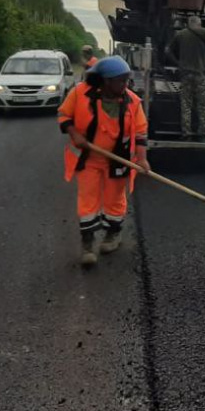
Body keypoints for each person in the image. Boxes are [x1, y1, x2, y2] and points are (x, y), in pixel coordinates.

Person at [58, 56, 150, 267]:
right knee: (87, 200)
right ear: (106, 81)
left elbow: (141, 132)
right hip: (88, 158)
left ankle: (112, 235)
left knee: (114, 200)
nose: (125, 85)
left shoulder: (132, 102)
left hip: (117, 160)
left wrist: (143, 159)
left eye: (127, 80)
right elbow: (64, 116)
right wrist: (74, 134)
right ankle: (88, 244)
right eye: (121, 81)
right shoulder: (80, 93)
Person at [166, 15, 205, 140]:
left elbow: (167, 50)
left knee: (186, 105)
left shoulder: (180, 34)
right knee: (202, 105)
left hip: (185, 74)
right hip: (201, 75)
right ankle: (202, 132)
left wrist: (178, 63)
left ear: (188, 24)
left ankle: (186, 132)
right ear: (199, 24)